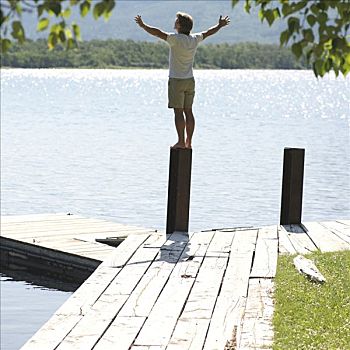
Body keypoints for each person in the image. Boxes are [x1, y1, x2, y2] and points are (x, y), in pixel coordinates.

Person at [135, 12, 230, 149]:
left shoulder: (175, 39)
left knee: (178, 112)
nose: (174, 22)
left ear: (179, 25)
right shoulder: (194, 39)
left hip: (176, 80)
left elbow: (157, 33)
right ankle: (189, 142)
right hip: (189, 80)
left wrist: (143, 25)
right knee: (189, 111)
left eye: (176, 20)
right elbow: (209, 32)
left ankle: (180, 141)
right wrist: (219, 26)